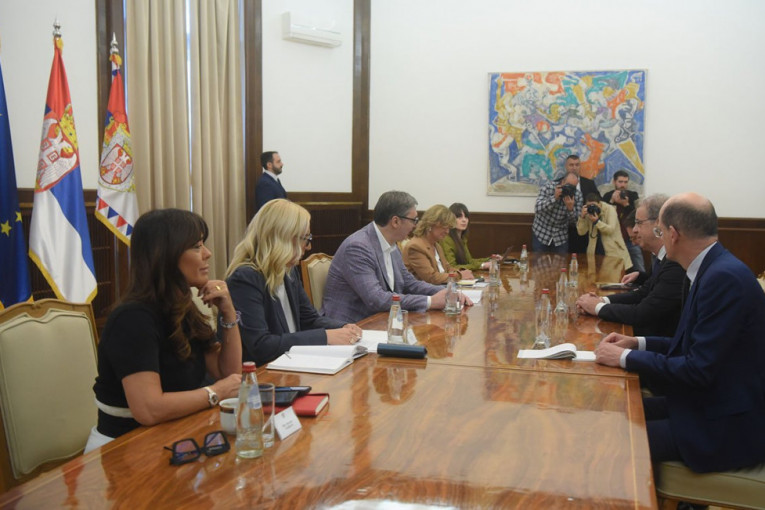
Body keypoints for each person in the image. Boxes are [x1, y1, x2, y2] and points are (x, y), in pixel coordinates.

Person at [595, 193, 765, 473]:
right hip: (706, 401)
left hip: (725, 424)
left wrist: (623, 357)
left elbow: (697, 368)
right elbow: (688, 345)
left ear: (673, 234)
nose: (659, 238)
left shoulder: (723, 278)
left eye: (659, 231)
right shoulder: (710, 267)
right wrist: (637, 343)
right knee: (613, 411)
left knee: (613, 437)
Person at [88, 209, 242, 452]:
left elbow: (229, 374)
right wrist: (215, 393)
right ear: (166, 256)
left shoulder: (182, 307)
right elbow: (149, 409)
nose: (207, 253)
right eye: (196, 246)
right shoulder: (132, 318)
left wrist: (228, 312)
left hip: (178, 434)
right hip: (126, 447)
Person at [226, 199, 363, 366]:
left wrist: (344, 327)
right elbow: (261, 345)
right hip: (263, 373)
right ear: (283, 238)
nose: (308, 246)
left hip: (291, 364)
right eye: (306, 238)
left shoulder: (288, 271)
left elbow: (309, 319)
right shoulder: (245, 278)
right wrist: (326, 336)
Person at [322, 191, 462, 323]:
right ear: (395, 221)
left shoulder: (392, 246)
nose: (415, 226)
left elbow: (410, 283)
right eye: (413, 220)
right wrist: (430, 301)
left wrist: (449, 292)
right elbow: (376, 299)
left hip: (383, 320)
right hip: (352, 325)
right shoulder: (358, 247)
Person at [576, 194, 685, 337]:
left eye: (639, 223)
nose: (634, 230)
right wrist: (601, 300)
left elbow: (642, 313)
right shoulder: (662, 258)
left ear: (658, 224)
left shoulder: (674, 263)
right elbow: (642, 293)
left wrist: (597, 307)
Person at [403, 204, 474, 284]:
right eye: (444, 227)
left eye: (449, 228)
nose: (447, 232)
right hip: (426, 291)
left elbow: (447, 268)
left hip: (442, 288)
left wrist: (462, 273)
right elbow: (431, 278)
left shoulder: (437, 245)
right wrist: (459, 275)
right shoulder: (415, 246)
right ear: (431, 224)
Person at [576, 192, 633, 270]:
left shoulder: (610, 209)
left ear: (599, 204)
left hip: (612, 251)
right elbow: (581, 232)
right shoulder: (588, 212)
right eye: (589, 206)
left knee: (613, 275)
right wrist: (582, 217)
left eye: (594, 205)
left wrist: (597, 222)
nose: (592, 208)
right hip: (595, 251)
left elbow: (610, 229)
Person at [602, 170, 644, 272]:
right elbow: (604, 215)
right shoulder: (607, 196)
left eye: (625, 182)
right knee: (614, 269)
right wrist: (612, 201)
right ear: (614, 182)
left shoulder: (633, 195)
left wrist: (626, 204)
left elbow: (636, 216)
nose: (623, 185)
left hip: (630, 238)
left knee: (639, 266)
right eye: (620, 182)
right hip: (614, 240)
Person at [531, 171, 583, 253]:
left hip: (560, 237)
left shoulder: (577, 195)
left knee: (561, 261)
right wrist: (554, 198)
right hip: (541, 233)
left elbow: (575, 222)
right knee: (539, 260)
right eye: (568, 186)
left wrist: (570, 209)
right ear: (562, 182)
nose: (570, 189)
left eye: (573, 187)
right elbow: (538, 208)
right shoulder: (548, 187)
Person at [439, 203, 491, 271]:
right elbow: (452, 267)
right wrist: (482, 265)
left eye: (466, 217)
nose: (464, 220)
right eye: (459, 217)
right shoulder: (446, 239)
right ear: (450, 219)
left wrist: (490, 259)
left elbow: (469, 262)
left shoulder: (462, 238)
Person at [565, 154, 600, 254]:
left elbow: (599, 201)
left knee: (584, 258)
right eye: (571, 165)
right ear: (566, 166)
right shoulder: (559, 183)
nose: (574, 167)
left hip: (585, 227)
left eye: (577, 165)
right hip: (565, 228)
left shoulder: (589, 183)